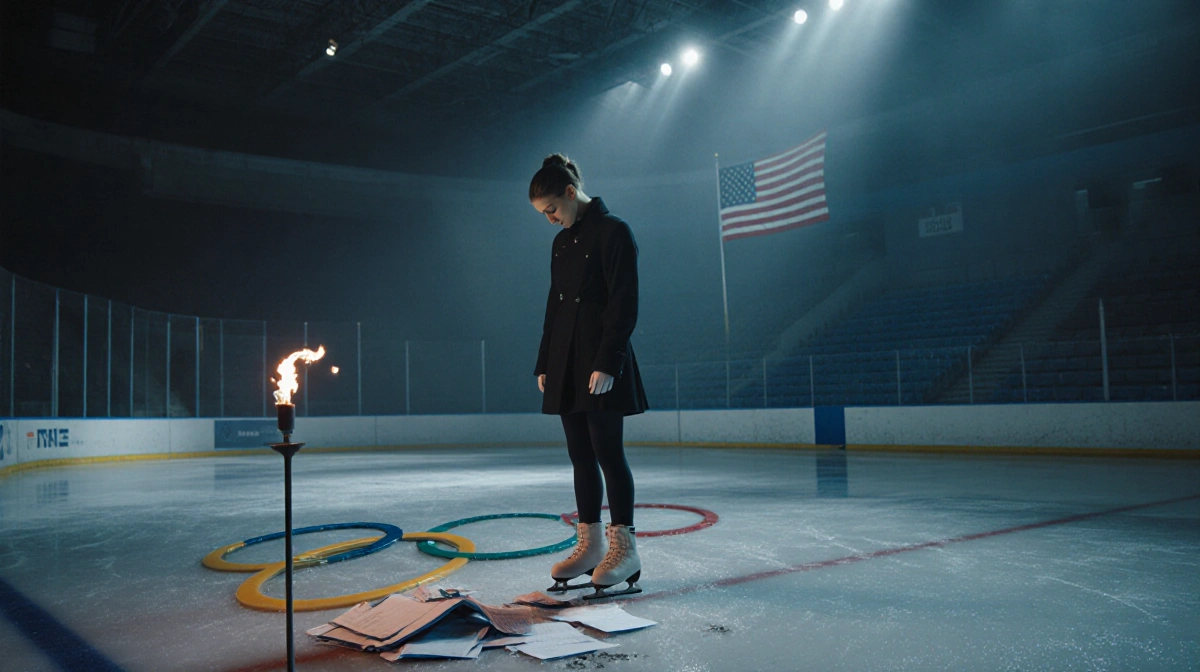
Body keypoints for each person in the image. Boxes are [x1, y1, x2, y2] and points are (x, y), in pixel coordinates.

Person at [530, 154, 649, 598]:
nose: (549, 220)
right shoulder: (561, 243)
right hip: (565, 360)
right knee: (580, 454)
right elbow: (554, 306)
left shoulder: (614, 231)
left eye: (551, 210)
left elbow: (624, 301)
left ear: (568, 192)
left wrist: (609, 360)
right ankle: (592, 543)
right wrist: (545, 361)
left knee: (607, 452)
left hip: (600, 358)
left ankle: (625, 547)